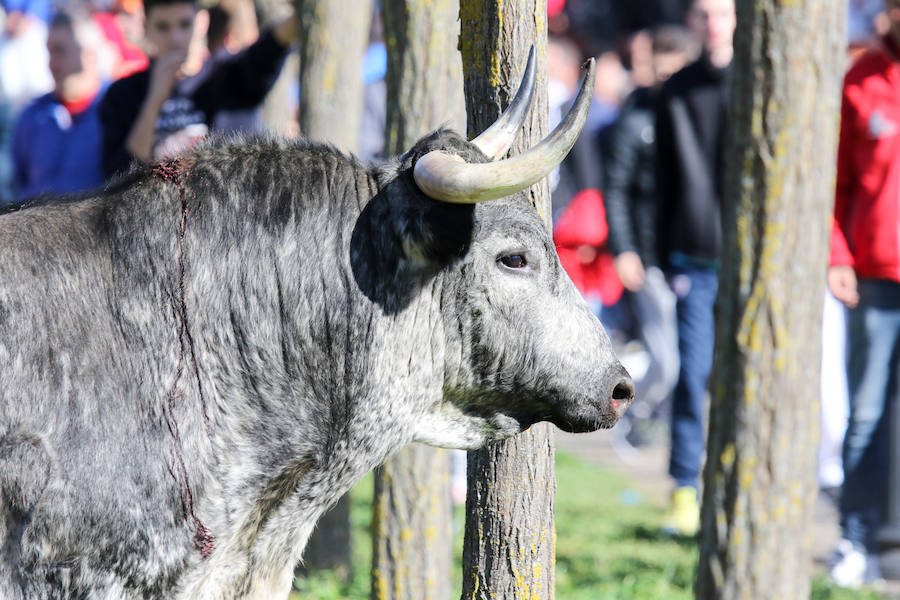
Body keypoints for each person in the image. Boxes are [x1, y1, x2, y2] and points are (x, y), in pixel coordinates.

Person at [654, 0, 735, 536]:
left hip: (750, 264)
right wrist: (658, 248)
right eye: (703, 14)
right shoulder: (676, 92)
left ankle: (734, 483)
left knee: (743, 378)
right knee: (693, 373)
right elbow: (660, 180)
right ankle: (686, 484)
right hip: (694, 259)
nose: (712, 25)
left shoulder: (761, 82)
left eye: (721, 13)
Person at [827, 0, 900, 586]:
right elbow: (836, 182)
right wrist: (837, 255)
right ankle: (855, 536)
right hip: (875, 276)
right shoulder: (862, 79)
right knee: (868, 412)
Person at [603, 25, 698, 448]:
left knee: (692, 360)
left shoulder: (696, 109)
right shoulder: (638, 112)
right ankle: (635, 409)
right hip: (648, 255)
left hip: (691, 253)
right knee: (670, 361)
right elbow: (618, 185)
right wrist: (624, 249)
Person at [99, 0, 295, 178]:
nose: (175, 38)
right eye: (162, 27)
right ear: (146, 28)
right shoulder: (123, 93)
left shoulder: (229, 76)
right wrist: (154, 100)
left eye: (185, 24)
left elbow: (272, 47)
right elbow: (120, 176)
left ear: (201, 23)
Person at [11, 11, 112, 199]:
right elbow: (21, 181)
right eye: (49, 52)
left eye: (60, 51)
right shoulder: (32, 116)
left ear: (89, 54)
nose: (51, 63)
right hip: (37, 225)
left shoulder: (116, 108)